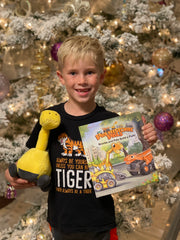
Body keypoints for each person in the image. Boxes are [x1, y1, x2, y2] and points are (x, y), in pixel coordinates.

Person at [5, 35, 157, 240]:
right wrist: (11, 176)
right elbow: (31, 160)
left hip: (101, 223)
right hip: (61, 223)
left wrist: (145, 139)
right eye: (73, 73)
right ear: (61, 77)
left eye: (90, 72)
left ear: (101, 76)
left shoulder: (112, 122)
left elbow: (137, 168)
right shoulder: (49, 120)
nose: (82, 81)